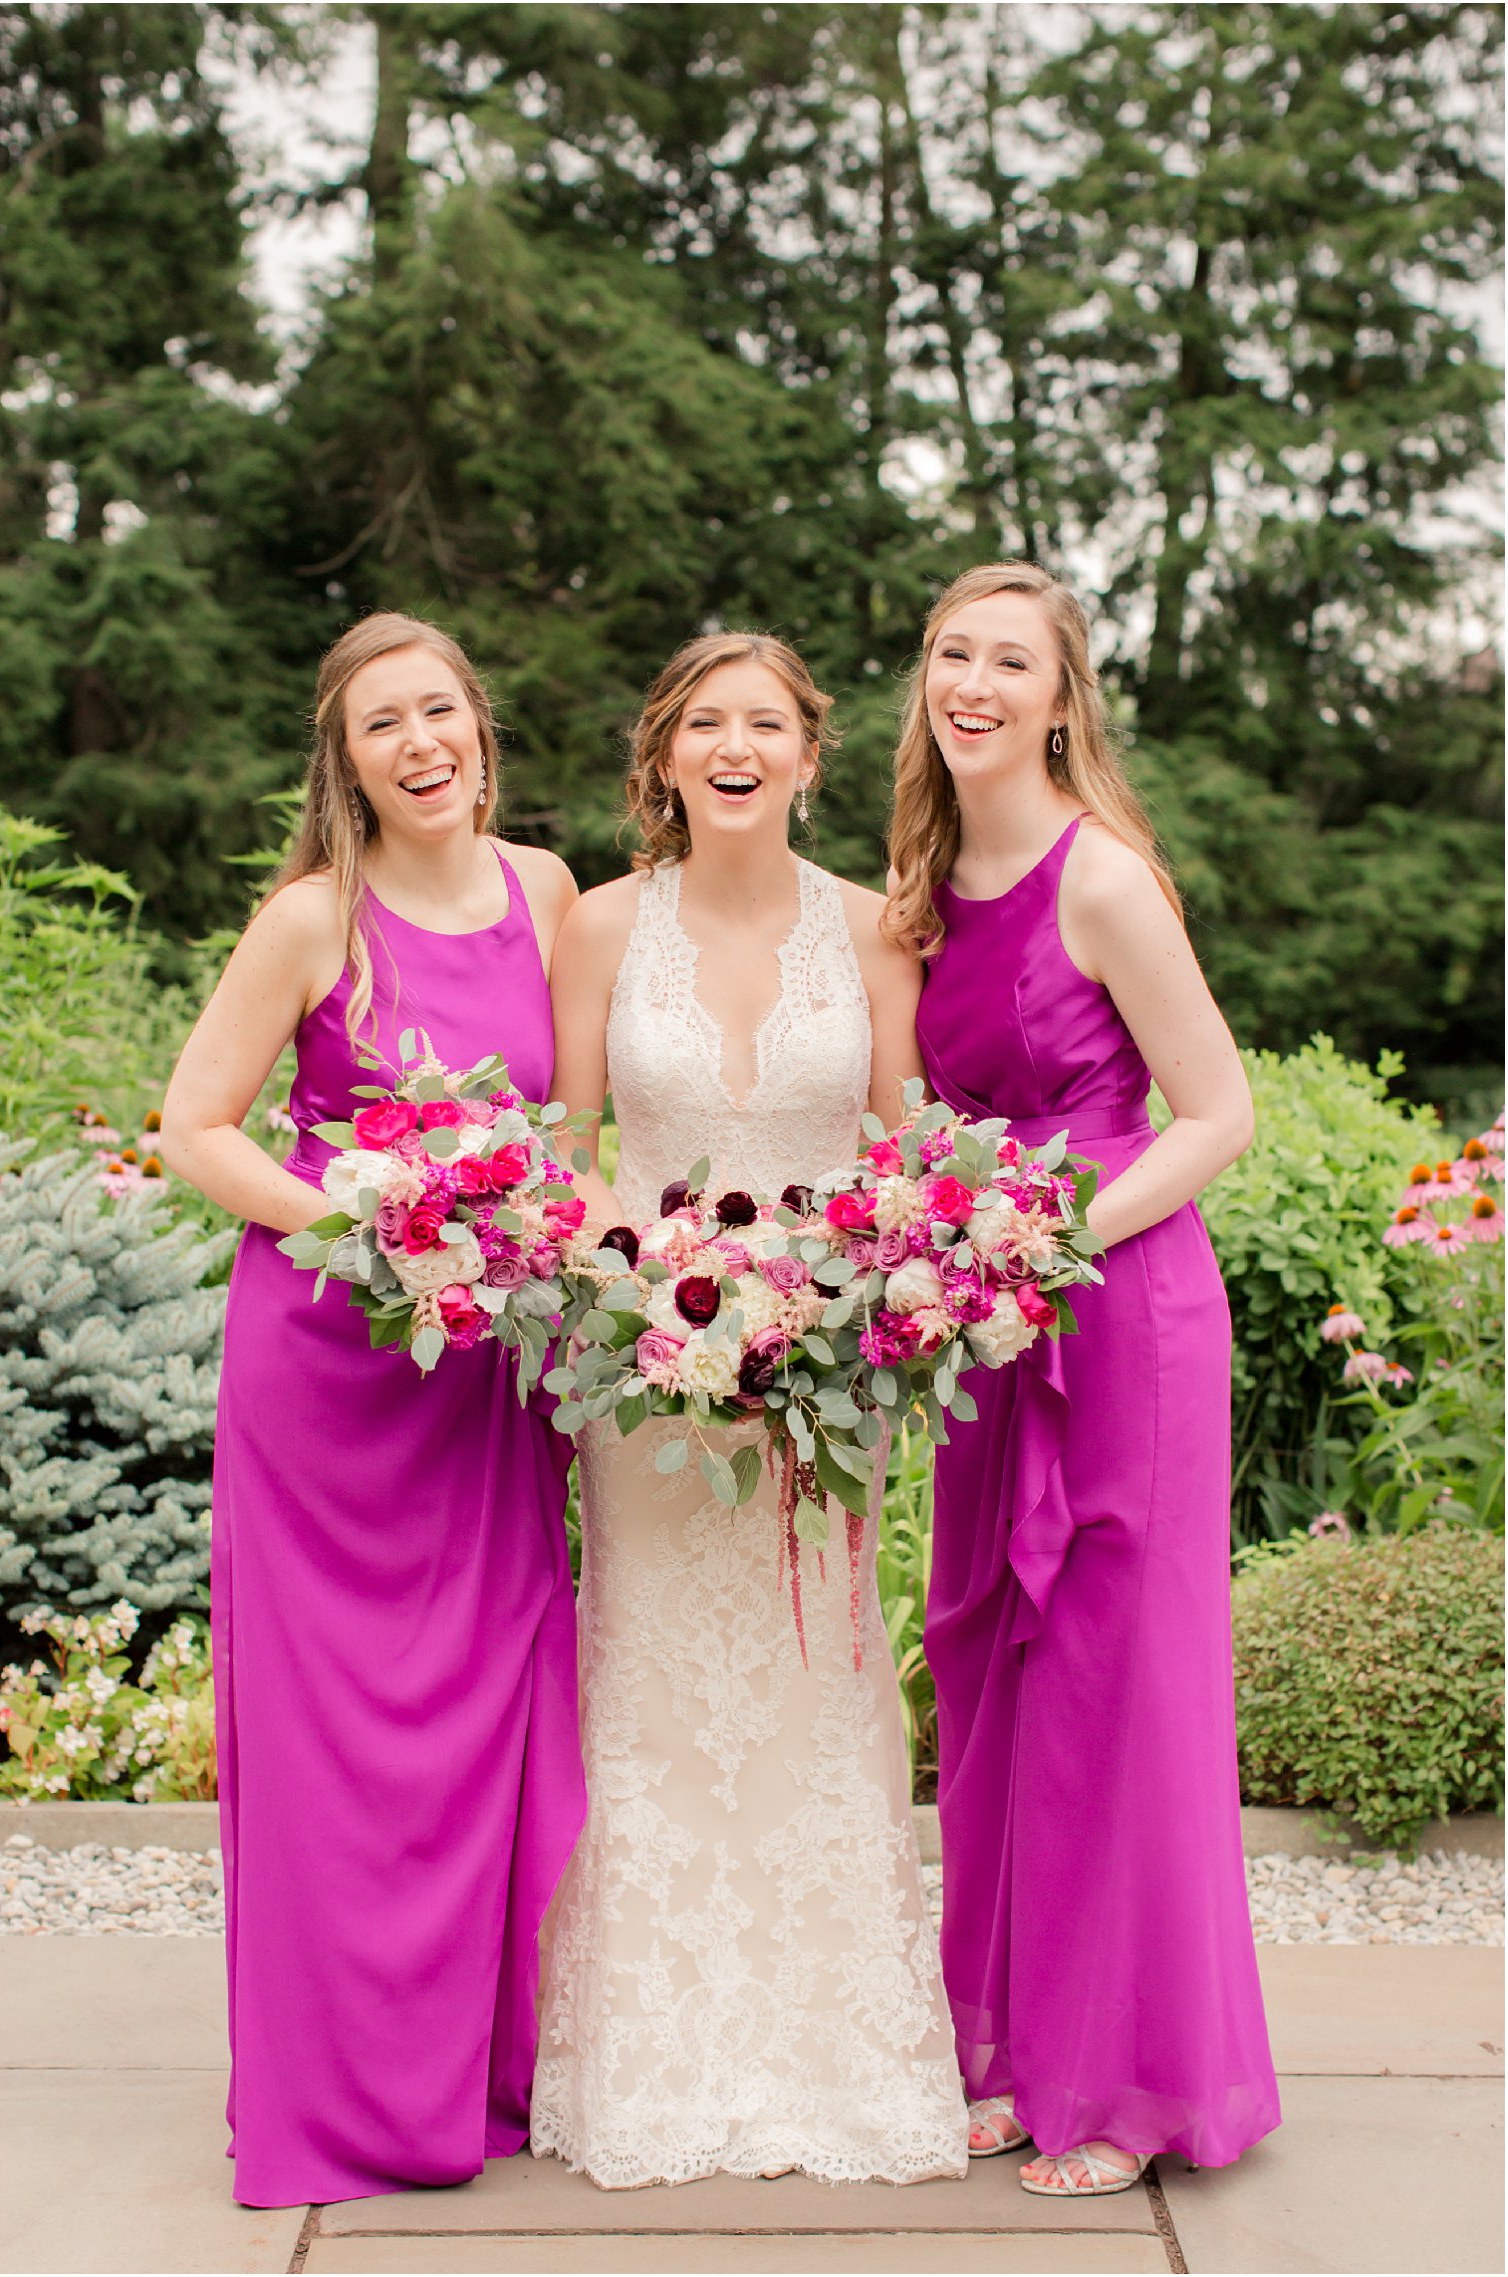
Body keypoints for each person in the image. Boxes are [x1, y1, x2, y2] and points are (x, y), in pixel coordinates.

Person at [528, 632, 969, 2189]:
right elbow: (565, 1146)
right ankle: (653, 2053)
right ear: (662, 758)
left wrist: (849, 1307)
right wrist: (640, 1297)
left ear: (807, 754)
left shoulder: (872, 930)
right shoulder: (593, 924)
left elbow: (908, 1154)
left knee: (814, 1662)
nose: (734, 744)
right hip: (641, 1378)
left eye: (763, 722)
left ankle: (828, 2052)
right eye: (703, 722)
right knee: (650, 1677)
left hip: (826, 1385)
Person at [162, 612, 586, 2208]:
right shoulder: (307, 920)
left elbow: (568, 1122)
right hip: (329, 1374)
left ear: (478, 722)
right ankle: (337, 2104)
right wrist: (359, 1221)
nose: (420, 745)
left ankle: (477, 2074)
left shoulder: (544, 891)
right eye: (380, 727)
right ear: (344, 765)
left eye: (438, 711)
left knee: (481, 1719)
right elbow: (195, 1121)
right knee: (338, 1743)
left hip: (481, 1378)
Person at [886, 561, 1280, 2194]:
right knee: (987, 1669)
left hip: (1125, 1323)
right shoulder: (923, 880)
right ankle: (1004, 2048)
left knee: (1120, 1688)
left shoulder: (1104, 878)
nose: (975, 683)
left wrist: (1050, 1242)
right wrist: (932, 1229)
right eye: (952, 654)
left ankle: (1128, 2087)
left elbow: (1219, 1113)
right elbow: (916, 1107)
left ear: (1062, 698)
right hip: (991, 1329)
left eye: (1011, 662)